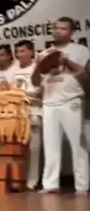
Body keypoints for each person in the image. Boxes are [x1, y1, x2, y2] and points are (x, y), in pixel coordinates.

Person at [32, 17, 89, 194]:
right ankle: (50, 184)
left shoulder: (80, 50)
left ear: (72, 32)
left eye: (63, 28)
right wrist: (38, 65)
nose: (58, 31)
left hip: (72, 100)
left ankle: (82, 186)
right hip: (49, 101)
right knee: (50, 146)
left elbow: (85, 75)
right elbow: (35, 81)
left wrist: (66, 62)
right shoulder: (45, 52)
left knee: (78, 145)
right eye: (56, 28)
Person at [11, 41, 43, 190]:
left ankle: (33, 181)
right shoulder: (13, 70)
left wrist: (23, 94)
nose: (19, 55)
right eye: (17, 52)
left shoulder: (38, 69)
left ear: (31, 52)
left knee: (34, 149)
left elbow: (40, 92)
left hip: (34, 112)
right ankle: (19, 178)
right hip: (17, 114)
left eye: (22, 51)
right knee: (19, 149)